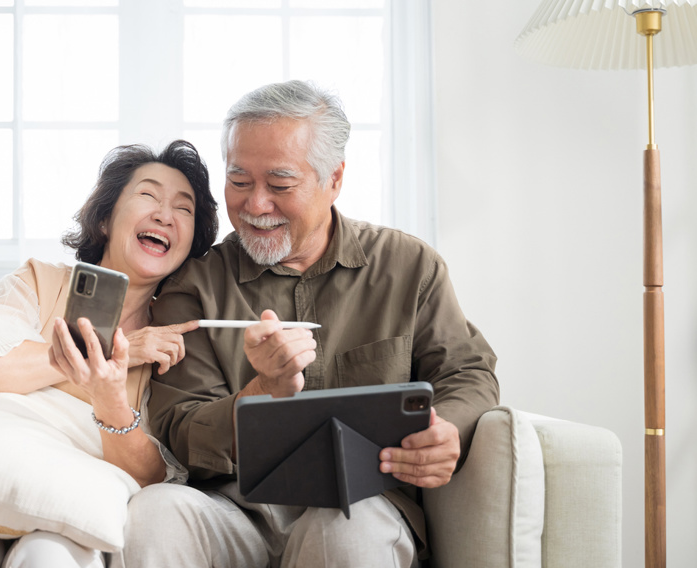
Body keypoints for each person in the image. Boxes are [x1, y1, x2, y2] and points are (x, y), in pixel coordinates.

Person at [119, 81, 499, 568]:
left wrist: (447, 428)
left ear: (334, 179)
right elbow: (179, 433)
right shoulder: (193, 285)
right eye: (238, 181)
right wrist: (263, 391)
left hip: (363, 504)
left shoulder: (409, 267)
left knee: (347, 528)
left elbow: (468, 372)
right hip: (233, 510)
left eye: (280, 185)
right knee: (156, 510)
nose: (255, 205)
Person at [0, 139, 218, 568]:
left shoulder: (176, 341)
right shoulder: (36, 281)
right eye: (148, 195)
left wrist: (109, 397)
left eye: (184, 208)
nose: (165, 214)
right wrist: (100, 357)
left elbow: (150, 477)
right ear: (105, 219)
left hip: (67, 517)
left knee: (49, 557)